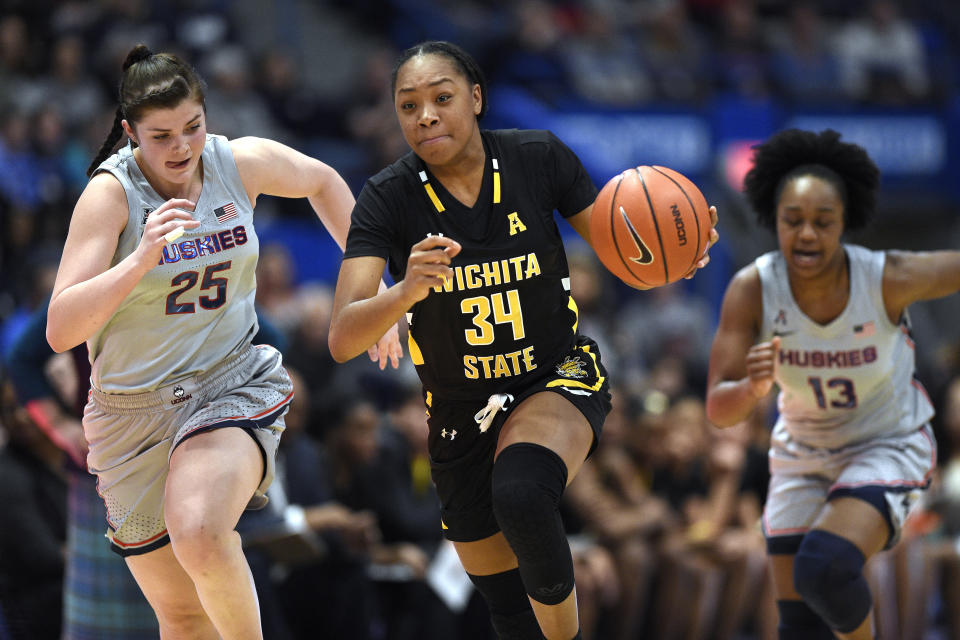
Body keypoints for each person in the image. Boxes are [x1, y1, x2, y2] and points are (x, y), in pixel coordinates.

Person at [328, 40, 718, 640]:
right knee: (507, 607)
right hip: (459, 409)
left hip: (553, 376)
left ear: (476, 98)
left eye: (441, 98)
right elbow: (342, 337)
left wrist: (673, 258)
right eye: (409, 106)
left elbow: (622, 250)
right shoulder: (387, 196)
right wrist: (402, 293)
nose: (425, 115)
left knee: (522, 493)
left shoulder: (538, 157)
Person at [45, 43, 400, 639]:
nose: (181, 147)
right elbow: (60, 329)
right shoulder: (110, 196)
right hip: (129, 416)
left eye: (193, 126)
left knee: (201, 532)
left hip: (227, 383)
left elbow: (325, 182)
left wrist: (375, 293)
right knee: (182, 616)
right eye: (161, 136)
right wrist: (139, 260)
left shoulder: (239, 162)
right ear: (130, 132)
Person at [705, 128, 960, 640]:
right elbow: (718, 408)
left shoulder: (888, 277)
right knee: (799, 624)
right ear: (774, 220)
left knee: (824, 568)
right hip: (802, 452)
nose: (806, 235)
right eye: (792, 221)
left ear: (845, 224)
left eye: (823, 223)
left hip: (885, 444)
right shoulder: (752, 289)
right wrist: (751, 390)